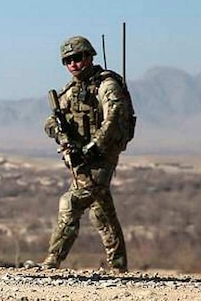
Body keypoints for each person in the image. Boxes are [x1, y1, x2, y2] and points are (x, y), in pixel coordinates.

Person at [40, 36, 135, 273]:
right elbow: (50, 123)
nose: (74, 64)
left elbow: (114, 117)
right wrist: (62, 136)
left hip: (101, 157)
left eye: (78, 58)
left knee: (70, 203)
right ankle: (119, 267)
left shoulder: (107, 85)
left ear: (90, 56)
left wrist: (93, 146)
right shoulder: (70, 91)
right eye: (68, 60)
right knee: (101, 212)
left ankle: (52, 262)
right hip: (81, 160)